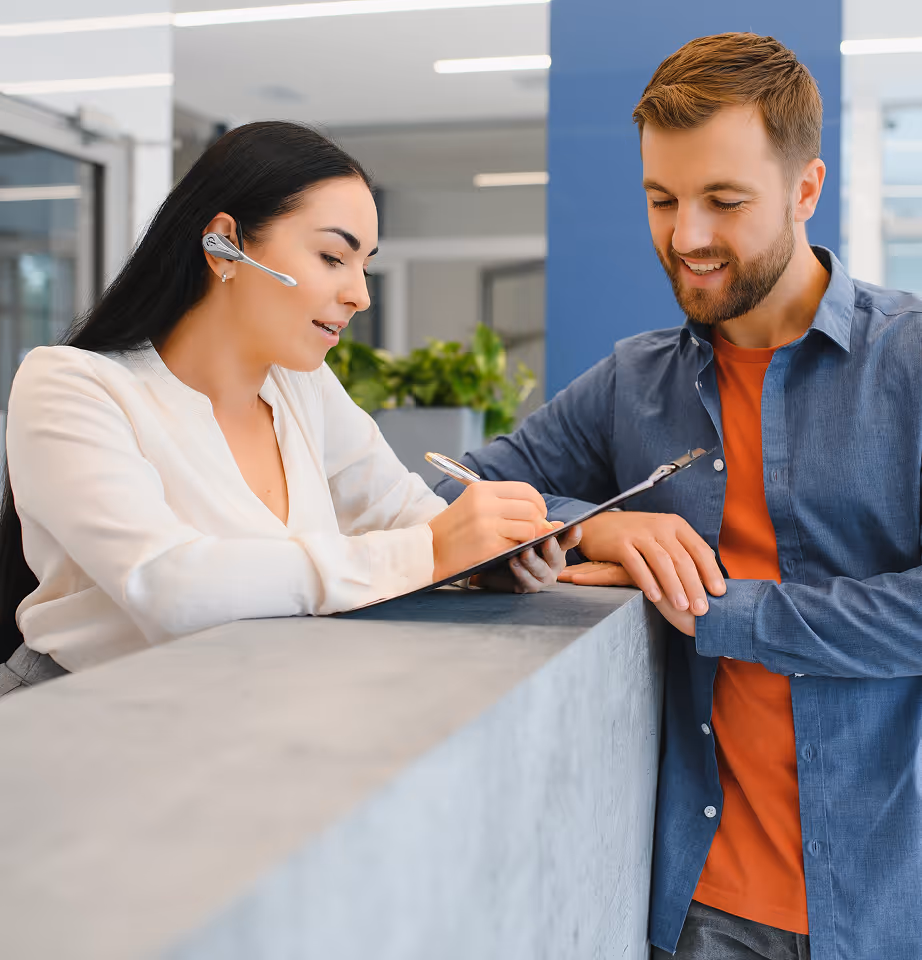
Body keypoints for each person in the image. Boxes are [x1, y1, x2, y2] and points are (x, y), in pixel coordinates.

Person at [435, 32, 922, 960]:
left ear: (806, 190)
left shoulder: (910, 361)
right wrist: (601, 530)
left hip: (887, 901)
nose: (687, 236)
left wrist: (720, 613)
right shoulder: (634, 382)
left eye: (724, 201)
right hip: (694, 907)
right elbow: (458, 497)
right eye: (662, 200)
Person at [0, 121, 579, 695]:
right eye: (333, 257)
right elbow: (167, 587)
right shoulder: (71, 385)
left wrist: (487, 556)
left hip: (245, 712)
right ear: (224, 244)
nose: (361, 294)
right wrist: (429, 551)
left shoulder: (301, 387)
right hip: (77, 722)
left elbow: (404, 513)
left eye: (365, 266)